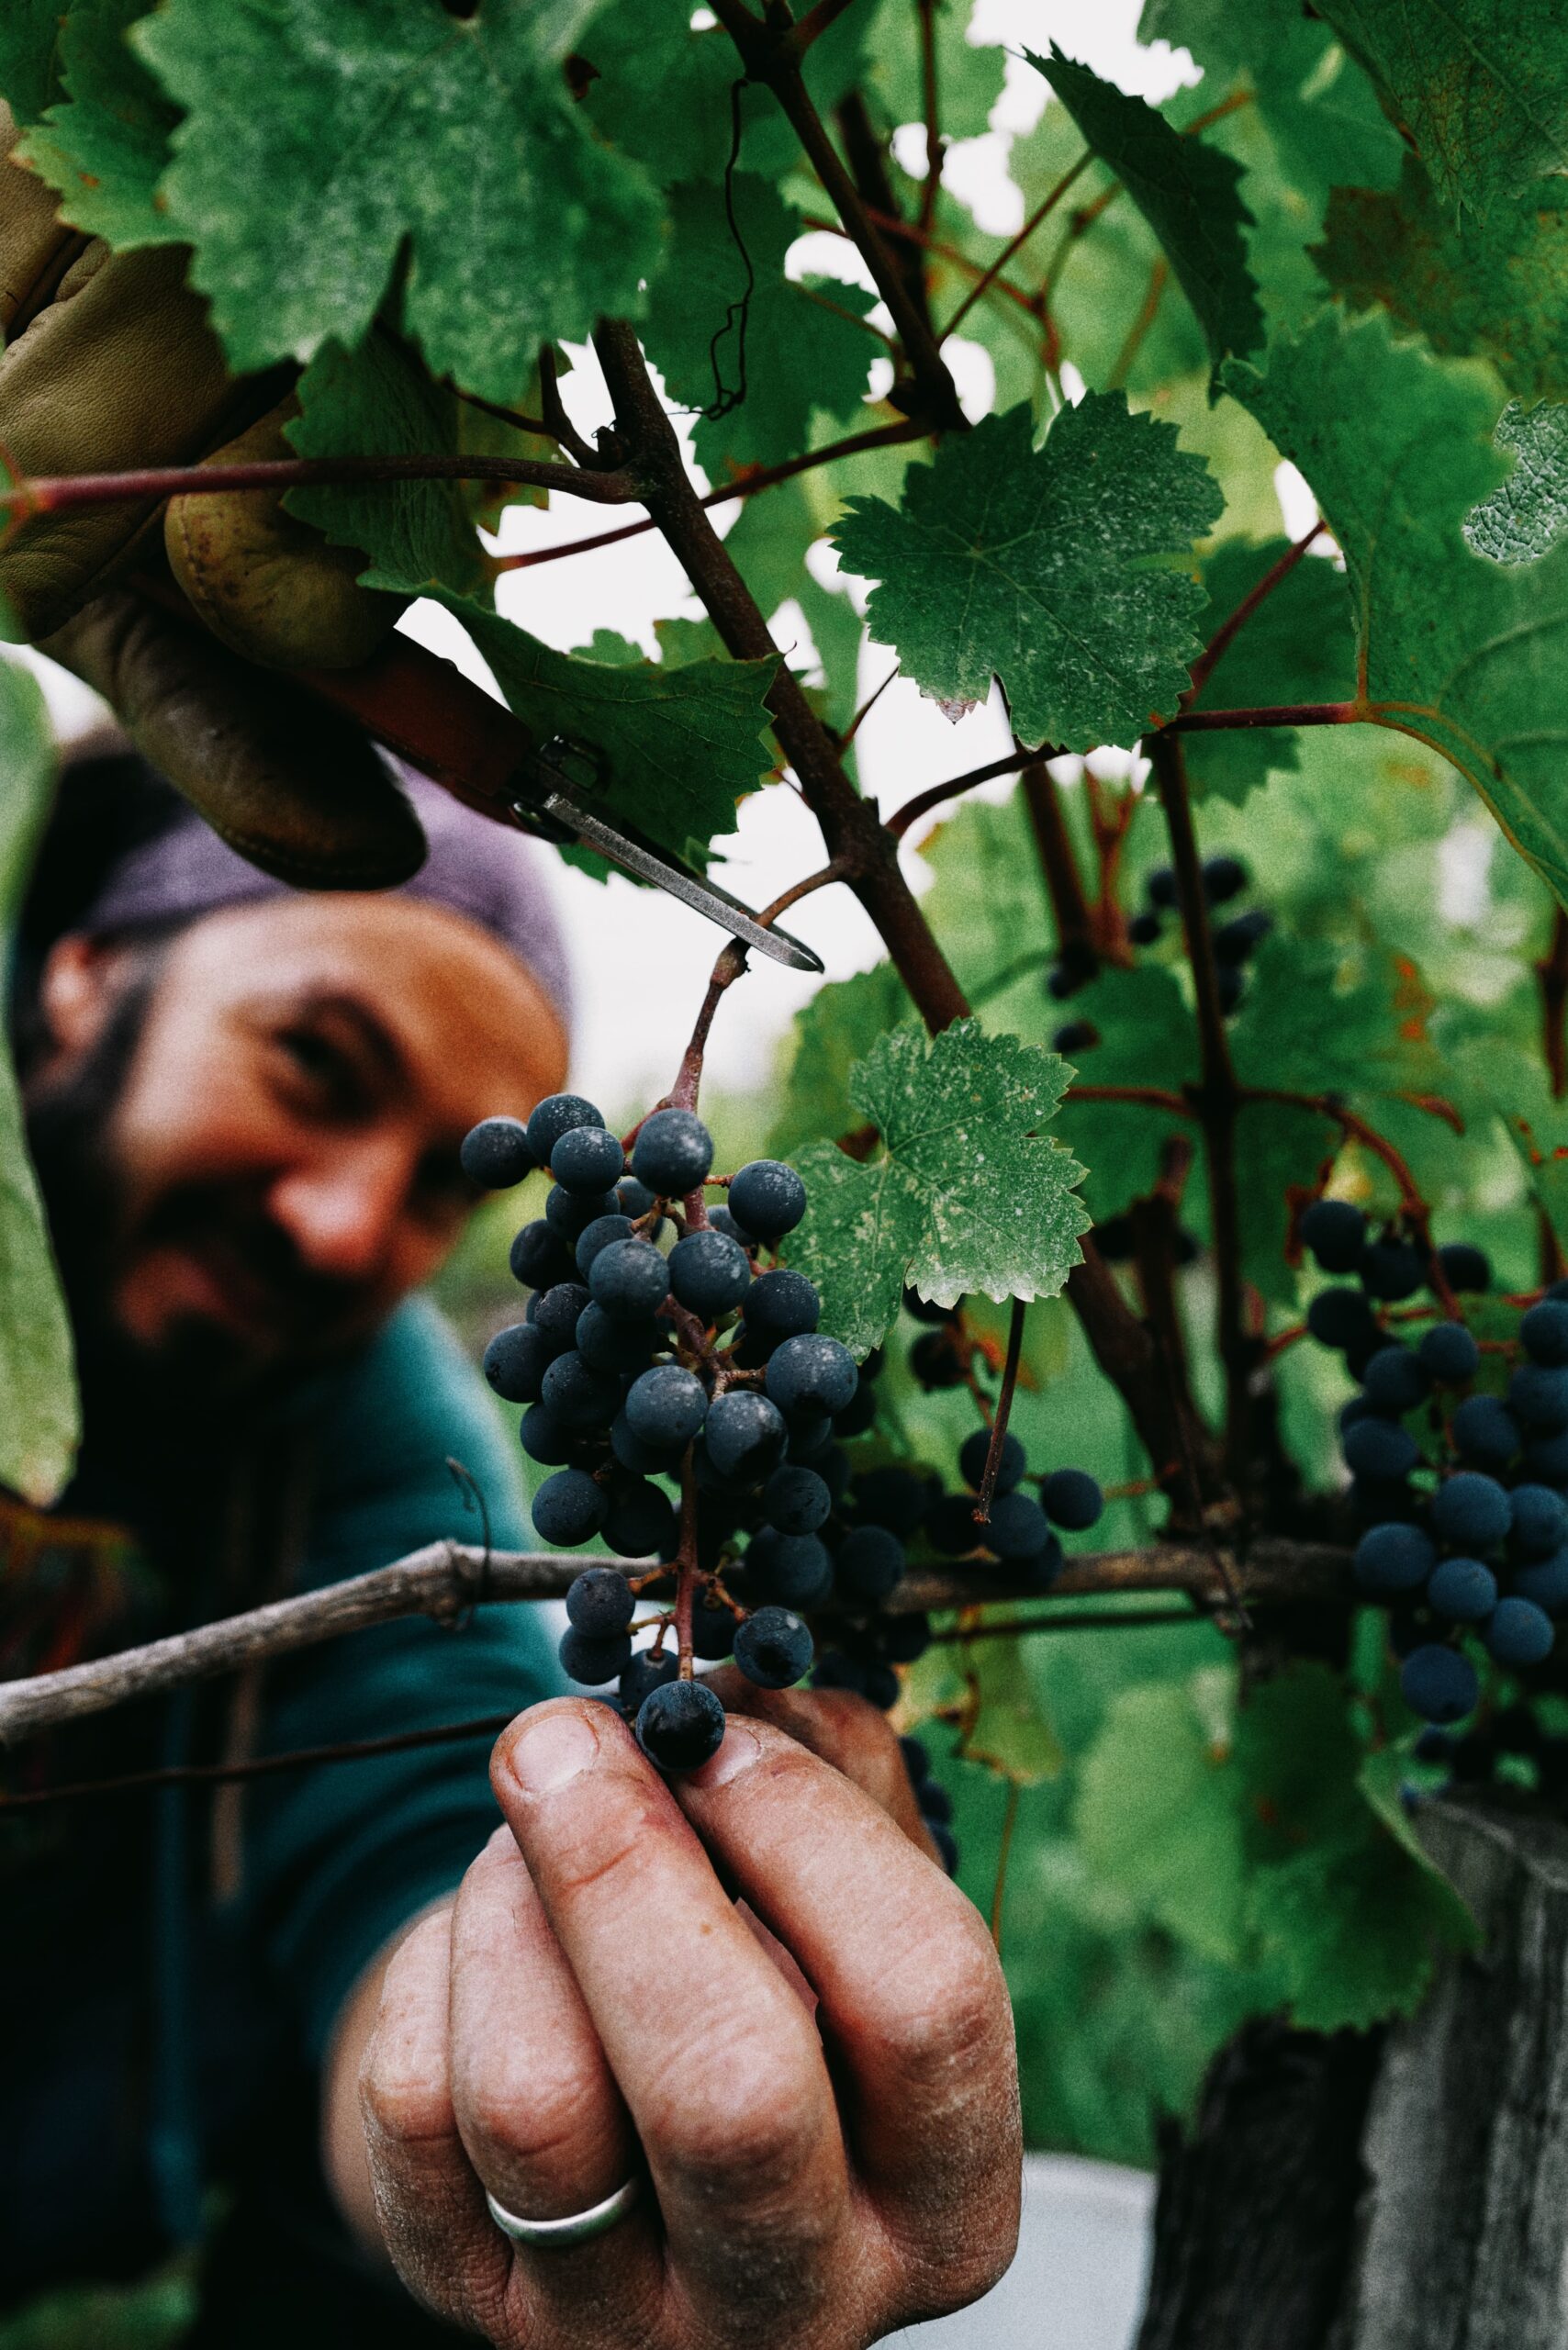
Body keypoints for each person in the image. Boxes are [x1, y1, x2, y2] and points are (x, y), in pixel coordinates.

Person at [1, 733, 1020, 2348]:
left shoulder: (352, 1416)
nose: (348, 1232)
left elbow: (416, 1824)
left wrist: (506, 2101)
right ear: (83, 973)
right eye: (315, 1066)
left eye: (435, 1187)